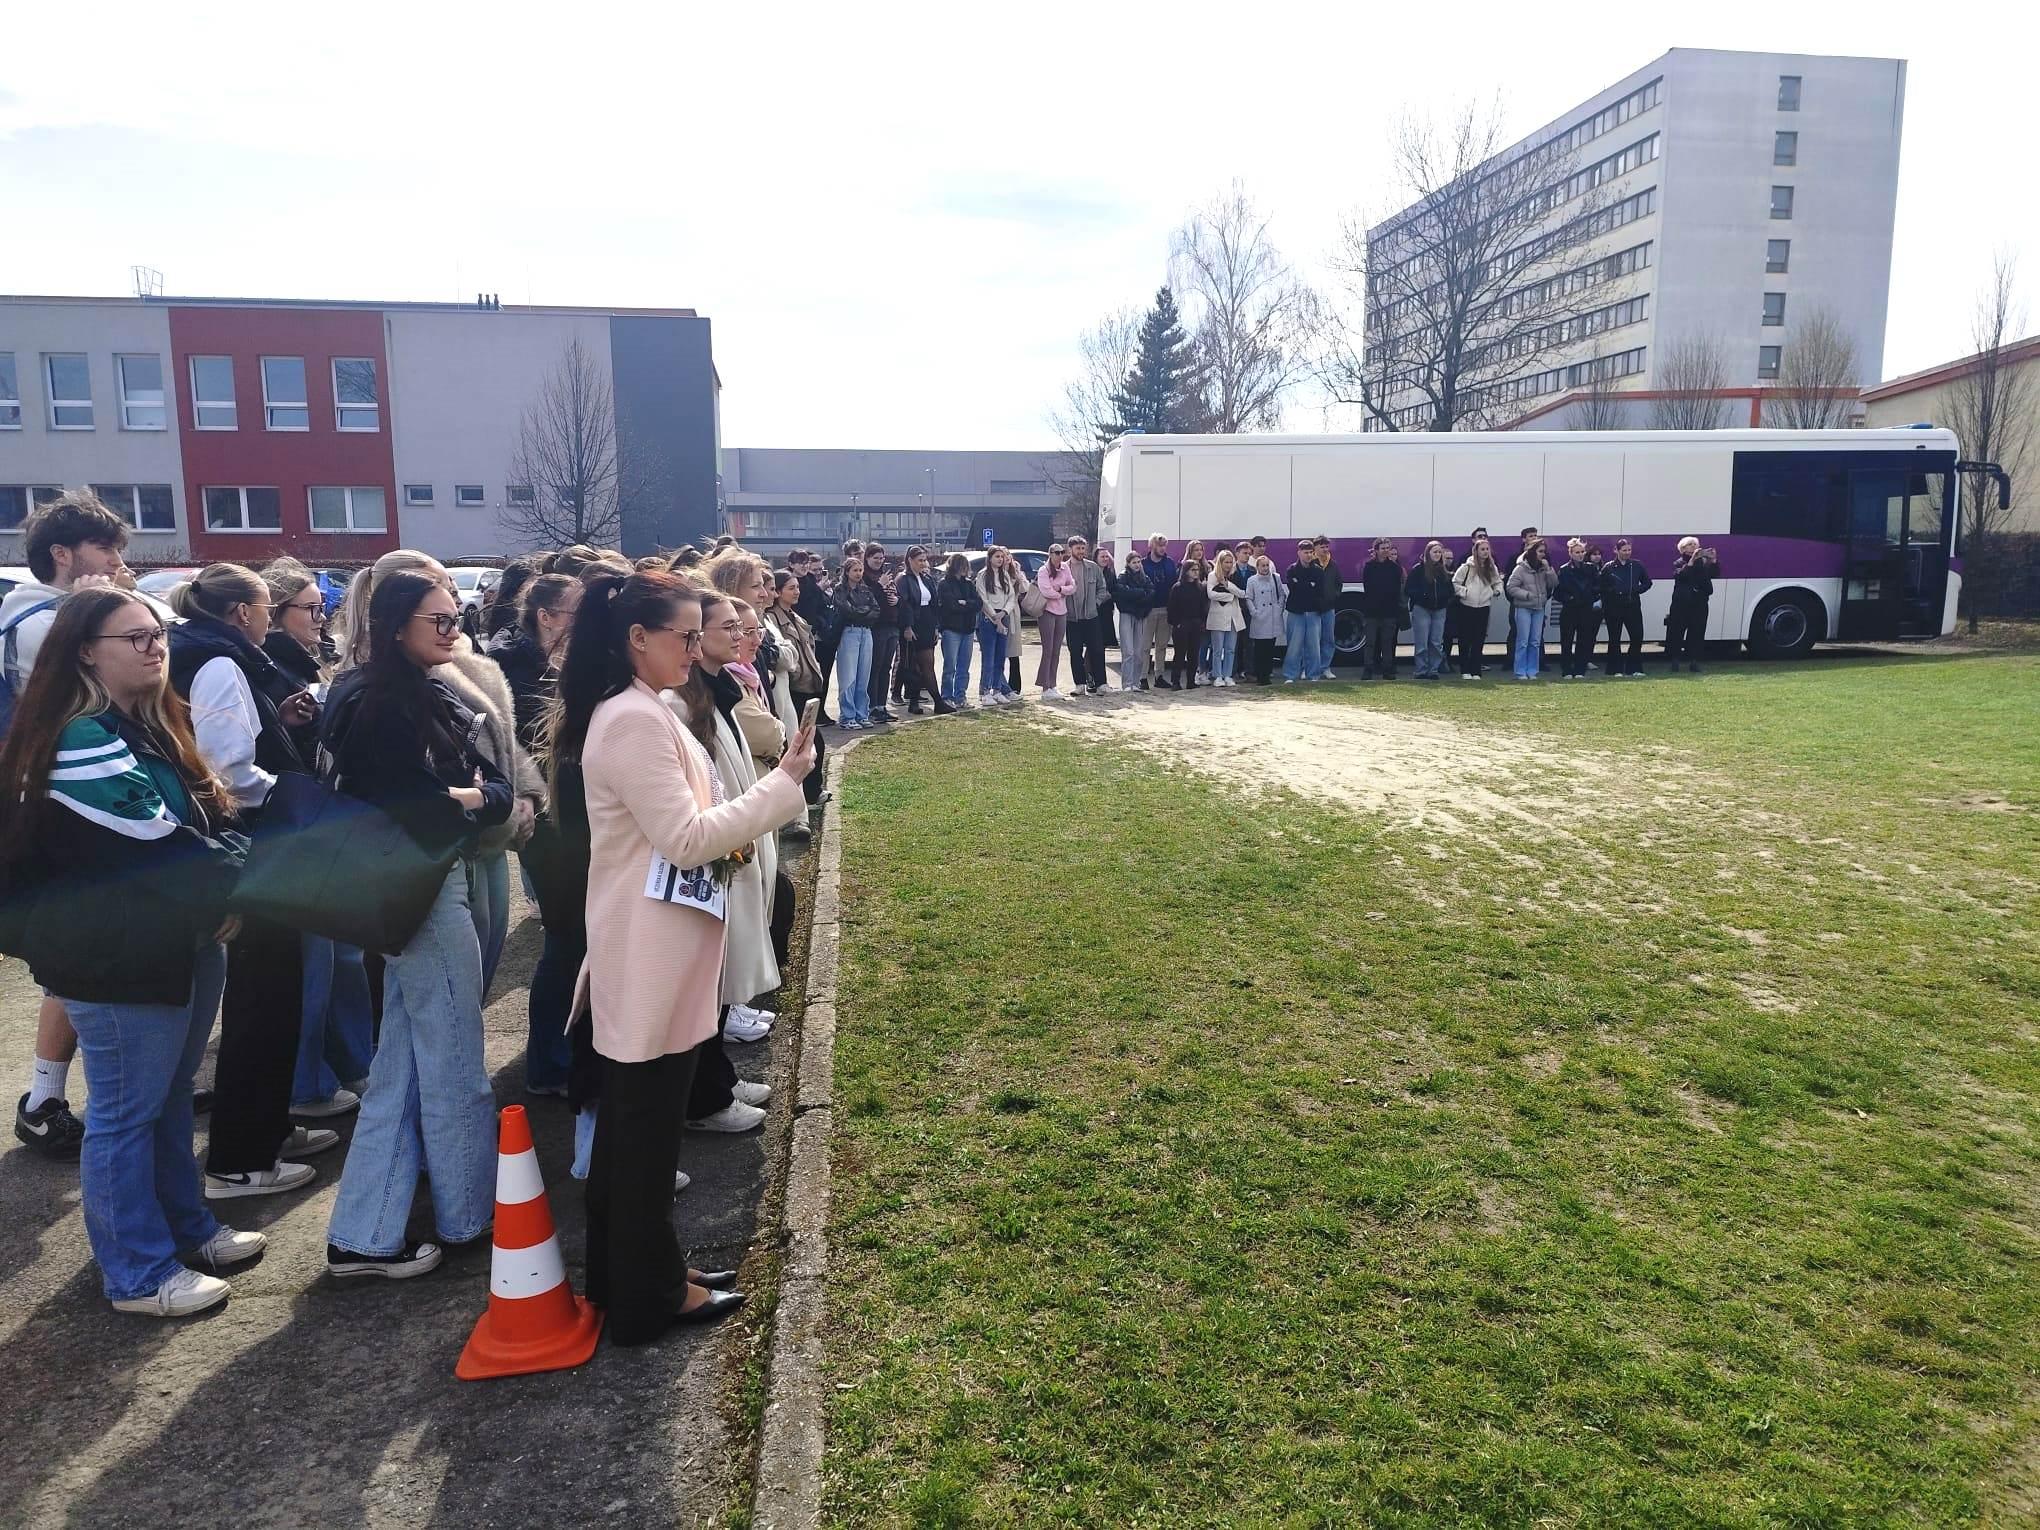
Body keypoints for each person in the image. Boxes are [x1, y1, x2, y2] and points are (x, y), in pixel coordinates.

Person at [553, 570, 811, 1343]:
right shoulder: (633, 719)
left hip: (658, 944)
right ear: (638, 638)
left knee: (637, 1132)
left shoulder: (644, 709)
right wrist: (782, 785)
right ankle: (650, 1295)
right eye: (686, 636)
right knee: (644, 1137)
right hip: (649, 952)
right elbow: (689, 838)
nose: (697, 651)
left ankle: (634, 1278)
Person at [0, 589, 258, 1315]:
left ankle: (186, 1229)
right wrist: (242, 882)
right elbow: (161, 846)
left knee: (167, 1097)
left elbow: (212, 818)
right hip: (116, 956)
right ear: (85, 651)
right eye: (135, 637)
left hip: (172, 940)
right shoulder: (80, 737)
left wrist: (230, 879)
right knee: (124, 1113)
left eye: (158, 633)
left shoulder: (141, 723)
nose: (156, 647)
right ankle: (137, 1273)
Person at [322, 571, 512, 1280]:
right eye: (440, 619)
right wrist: (473, 798)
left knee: (401, 1065)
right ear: (396, 625)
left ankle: (365, 1232)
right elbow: (427, 808)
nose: (454, 629)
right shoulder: (379, 702)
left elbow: (490, 787)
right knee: (454, 1055)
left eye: (458, 616)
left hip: (420, 885)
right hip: (419, 889)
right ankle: (468, 1214)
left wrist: (473, 796)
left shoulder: (407, 691)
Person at [166, 564, 335, 1200]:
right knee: (264, 1001)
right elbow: (227, 772)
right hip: (251, 849)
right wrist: (296, 793)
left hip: (236, 850)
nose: (269, 620)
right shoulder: (219, 662)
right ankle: (241, 1159)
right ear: (242, 613)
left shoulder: (204, 653)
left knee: (266, 998)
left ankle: (266, 1131)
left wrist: (278, 723)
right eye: (266, 608)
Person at [6, 493, 147, 1158]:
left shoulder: (51, 614)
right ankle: (46, 1100)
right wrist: (101, 607)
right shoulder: (41, 622)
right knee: (76, 966)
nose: (118, 562)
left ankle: (48, 1097)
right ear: (62, 554)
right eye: (105, 549)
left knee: (71, 970)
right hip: (62, 812)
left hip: (60, 803)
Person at [264, 561, 376, 1114]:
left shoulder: (303, 660)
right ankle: (309, 1084)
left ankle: (351, 1064)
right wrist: (292, 724)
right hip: (301, 827)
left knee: (341, 957)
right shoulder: (268, 665)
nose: (320, 618)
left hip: (322, 821)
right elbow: (250, 757)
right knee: (317, 964)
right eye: (309, 608)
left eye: (322, 606)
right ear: (273, 614)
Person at [766, 569, 829, 804]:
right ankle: (808, 794)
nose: (797, 592)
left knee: (810, 739)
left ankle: (810, 793)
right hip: (791, 687)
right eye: (791, 588)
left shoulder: (795, 616)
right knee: (809, 741)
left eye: (798, 587)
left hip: (805, 685)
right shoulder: (772, 620)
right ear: (778, 592)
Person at [892, 546, 948, 715]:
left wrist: (935, 626)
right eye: (920, 560)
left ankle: (918, 701)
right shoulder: (903, 579)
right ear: (910, 560)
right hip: (912, 624)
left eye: (925, 560)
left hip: (926, 623)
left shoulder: (926, 578)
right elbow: (904, 604)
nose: (923, 563)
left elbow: (933, 603)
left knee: (925, 664)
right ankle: (934, 701)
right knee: (915, 664)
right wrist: (907, 627)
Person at [790, 550, 840, 724]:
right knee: (803, 676)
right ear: (791, 564)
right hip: (798, 634)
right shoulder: (791, 581)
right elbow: (798, 605)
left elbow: (820, 606)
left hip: (818, 634)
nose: (804, 566)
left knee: (821, 676)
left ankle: (819, 712)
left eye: (806, 563)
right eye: (801, 562)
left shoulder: (810, 581)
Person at [831, 554, 880, 728]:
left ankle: (861, 713)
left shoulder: (865, 590)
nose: (858, 573)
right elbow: (847, 610)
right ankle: (847, 715)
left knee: (863, 676)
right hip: (849, 631)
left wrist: (862, 611)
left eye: (860, 570)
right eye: (855, 570)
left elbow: (876, 610)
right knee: (848, 676)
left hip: (866, 632)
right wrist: (864, 611)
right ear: (847, 572)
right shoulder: (840, 589)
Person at [974, 546, 1025, 705]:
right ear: (990, 558)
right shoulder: (983, 575)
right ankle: (985, 691)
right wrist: (995, 618)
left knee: (1000, 656)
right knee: (989, 657)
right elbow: (983, 598)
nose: (1000, 559)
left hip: (1004, 614)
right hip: (989, 617)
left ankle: (997, 690)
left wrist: (1004, 613)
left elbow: (1011, 597)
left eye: (1002, 557)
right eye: (997, 556)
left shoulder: (1005, 575)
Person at [1451, 535, 1505, 681]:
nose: (1485, 552)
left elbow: (1497, 582)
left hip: (1484, 606)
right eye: (1482, 549)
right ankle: (1465, 670)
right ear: (1476, 551)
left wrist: (1496, 591)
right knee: (1465, 639)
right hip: (1466, 606)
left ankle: (1476, 670)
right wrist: (1465, 593)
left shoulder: (1491, 567)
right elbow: (1455, 583)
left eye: (1487, 549)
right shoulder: (1466, 567)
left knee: (1479, 639)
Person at [934, 553, 984, 709]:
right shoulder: (944, 584)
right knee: (950, 666)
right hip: (951, 629)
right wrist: (965, 605)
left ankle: (960, 696)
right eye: (962, 566)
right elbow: (951, 606)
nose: (965, 569)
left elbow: (978, 603)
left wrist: (964, 603)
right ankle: (946, 696)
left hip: (968, 629)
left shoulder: (968, 584)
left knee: (964, 666)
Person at [1506, 538, 1559, 682]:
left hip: (1539, 608)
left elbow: (1554, 583)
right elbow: (1511, 587)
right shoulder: (1520, 568)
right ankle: (1520, 671)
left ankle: (1532, 670)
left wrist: (1549, 570)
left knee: (1535, 641)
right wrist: (1526, 595)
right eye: (1540, 551)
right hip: (1523, 608)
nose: (1543, 554)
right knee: (1523, 641)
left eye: (1544, 551)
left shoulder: (1543, 568)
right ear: (1533, 552)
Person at [1664, 537, 1719, 674]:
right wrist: (1692, 560)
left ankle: (1694, 662)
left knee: (1697, 633)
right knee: (1677, 632)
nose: (1694, 546)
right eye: (1690, 544)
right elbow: (1681, 576)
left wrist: (1713, 560)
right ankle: (1675, 661)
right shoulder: (1679, 562)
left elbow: (1715, 574)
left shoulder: (1703, 563)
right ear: (1683, 548)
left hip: (1699, 603)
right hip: (1682, 604)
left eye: (1695, 544)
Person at [1599, 537, 1652, 678]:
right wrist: (1611, 592)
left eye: (1629, 550)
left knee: (1637, 636)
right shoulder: (1608, 567)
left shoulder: (1637, 565)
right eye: (1624, 550)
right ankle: (1615, 669)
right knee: (1614, 638)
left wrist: (1636, 590)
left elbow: (1647, 583)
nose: (1627, 552)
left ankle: (1634, 668)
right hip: (1614, 607)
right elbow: (1601, 586)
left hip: (1632, 605)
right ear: (1616, 550)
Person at [1062, 535, 1108, 696]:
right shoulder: (1063, 568)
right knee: (1075, 652)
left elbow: (1103, 589)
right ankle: (1079, 684)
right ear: (1070, 550)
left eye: (1083, 548)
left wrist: (1096, 603)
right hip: (1072, 618)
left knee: (1097, 650)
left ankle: (1101, 684)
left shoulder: (1093, 567)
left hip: (1091, 616)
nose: (1081, 551)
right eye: (1078, 548)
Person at [861, 544, 900, 724]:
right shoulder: (864, 576)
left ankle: (882, 706)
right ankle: (872, 707)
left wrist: (897, 599)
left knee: (886, 668)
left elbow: (896, 595)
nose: (879, 561)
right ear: (867, 558)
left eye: (881, 558)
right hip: (877, 626)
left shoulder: (886, 575)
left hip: (892, 625)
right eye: (875, 557)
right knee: (875, 668)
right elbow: (867, 599)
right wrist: (879, 585)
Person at [1106, 547, 1154, 692]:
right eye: (1134, 562)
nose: (1137, 565)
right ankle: (1127, 684)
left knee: (1139, 652)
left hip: (1141, 615)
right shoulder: (1123, 576)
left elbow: (1151, 593)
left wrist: (1138, 597)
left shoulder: (1145, 578)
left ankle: (1136, 682)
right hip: (1127, 614)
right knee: (1128, 651)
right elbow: (1122, 594)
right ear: (1128, 564)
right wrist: (1139, 593)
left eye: (1139, 562)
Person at [1033, 543, 1077, 700]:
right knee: (1048, 649)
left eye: (1061, 552)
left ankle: (1052, 684)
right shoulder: (1043, 570)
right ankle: (1045, 687)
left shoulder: (1065, 568)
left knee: (1057, 650)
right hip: (1047, 612)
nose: (1060, 555)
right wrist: (1061, 593)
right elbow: (1046, 591)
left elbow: (1073, 586)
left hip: (1062, 611)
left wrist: (1061, 590)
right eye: (1056, 552)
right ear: (1050, 554)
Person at [1405, 541, 1454, 681]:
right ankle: (1421, 670)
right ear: (1428, 553)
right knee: (1422, 642)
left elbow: (1450, 590)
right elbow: (1409, 589)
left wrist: (1445, 599)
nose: (1437, 554)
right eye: (1435, 552)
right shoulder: (1418, 570)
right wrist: (1422, 596)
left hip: (1439, 610)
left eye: (1439, 552)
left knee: (1436, 642)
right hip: (1422, 609)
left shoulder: (1443, 571)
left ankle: (1433, 670)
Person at [1554, 539, 1601, 680]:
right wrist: (1569, 599)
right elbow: (1558, 593)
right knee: (1566, 641)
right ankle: (1567, 670)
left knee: (1584, 641)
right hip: (1570, 610)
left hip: (1586, 609)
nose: (1580, 555)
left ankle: (1580, 670)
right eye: (1577, 552)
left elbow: (1598, 587)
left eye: (1582, 552)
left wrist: (1591, 597)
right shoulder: (1564, 570)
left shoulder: (1591, 569)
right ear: (1570, 553)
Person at [1359, 539, 1404, 680]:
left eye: (1387, 548)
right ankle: (1368, 669)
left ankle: (1387, 670)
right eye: (1383, 548)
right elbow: (1367, 588)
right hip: (1372, 611)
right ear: (1376, 550)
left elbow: (1397, 589)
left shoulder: (1395, 568)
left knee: (1387, 642)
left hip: (1389, 611)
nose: (1385, 551)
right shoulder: (1369, 566)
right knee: (1370, 642)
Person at [1282, 541, 1324, 684]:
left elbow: (1319, 590)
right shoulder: (1291, 570)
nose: (1308, 555)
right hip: (1296, 612)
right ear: (1299, 553)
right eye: (1305, 552)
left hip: (1313, 612)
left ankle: (1313, 675)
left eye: (1310, 552)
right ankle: (1290, 675)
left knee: (1314, 646)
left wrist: (1302, 584)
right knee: (1294, 646)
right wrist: (1309, 585)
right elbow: (1293, 588)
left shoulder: (1318, 570)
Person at [1205, 550, 1245, 687]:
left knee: (1230, 649)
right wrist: (1229, 596)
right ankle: (1217, 676)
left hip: (1233, 616)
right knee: (1217, 649)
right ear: (1220, 563)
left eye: (1230, 562)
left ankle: (1228, 675)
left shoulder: (1235, 575)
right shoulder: (1212, 575)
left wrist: (1228, 585)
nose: (1228, 565)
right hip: (1218, 616)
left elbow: (1242, 593)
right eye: (1226, 562)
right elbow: (1211, 594)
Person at [1166, 561, 1210, 689]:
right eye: (1193, 570)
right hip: (1182, 624)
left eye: (1197, 570)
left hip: (1195, 623)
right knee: (1180, 654)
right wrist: (1176, 623)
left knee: (1193, 654)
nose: (1196, 572)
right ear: (1186, 571)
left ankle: (1191, 681)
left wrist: (1202, 622)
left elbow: (1203, 607)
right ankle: (1176, 681)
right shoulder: (1178, 587)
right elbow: (1172, 607)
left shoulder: (1199, 588)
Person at [1140, 534, 1177, 686]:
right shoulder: (1143, 563)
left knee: (1161, 645)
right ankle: (1142, 677)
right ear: (1152, 546)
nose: (1162, 548)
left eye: (1164, 546)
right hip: (1149, 610)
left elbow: (1174, 584)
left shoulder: (1169, 563)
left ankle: (1159, 676)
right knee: (1145, 646)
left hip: (1165, 609)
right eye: (1160, 545)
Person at [1245, 555, 1285, 684]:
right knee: (1259, 649)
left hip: (1273, 617)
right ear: (1257, 567)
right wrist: (1254, 612)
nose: (1265, 568)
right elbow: (1248, 598)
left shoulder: (1276, 577)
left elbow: (1281, 594)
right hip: (1260, 618)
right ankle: (1260, 676)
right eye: (1263, 565)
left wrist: (1279, 608)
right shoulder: (1252, 580)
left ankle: (1267, 674)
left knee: (1270, 648)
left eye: (1267, 565)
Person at [481, 558, 539, 643]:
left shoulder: (530, 606)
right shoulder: (508, 612)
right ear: (518, 584)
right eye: (532, 582)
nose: (535, 586)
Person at [1312, 537, 1345, 680]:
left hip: (1329, 608)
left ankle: (1325, 668)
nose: (1325, 550)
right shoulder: (1311, 564)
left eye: (1326, 547)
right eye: (1322, 547)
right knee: (1312, 641)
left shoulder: (1333, 564)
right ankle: (1309, 668)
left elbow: (1339, 583)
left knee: (1329, 640)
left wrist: (1333, 596)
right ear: (1315, 548)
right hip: (1313, 608)